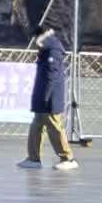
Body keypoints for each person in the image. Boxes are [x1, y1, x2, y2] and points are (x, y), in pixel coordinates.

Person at [19, 24, 78, 171]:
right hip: (42, 95)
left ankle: (68, 158)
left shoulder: (52, 49)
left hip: (50, 96)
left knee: (54, 126)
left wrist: (46, 96)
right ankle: (33, 158)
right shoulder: (46, 48)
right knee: (37, 125)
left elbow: (52, 75)